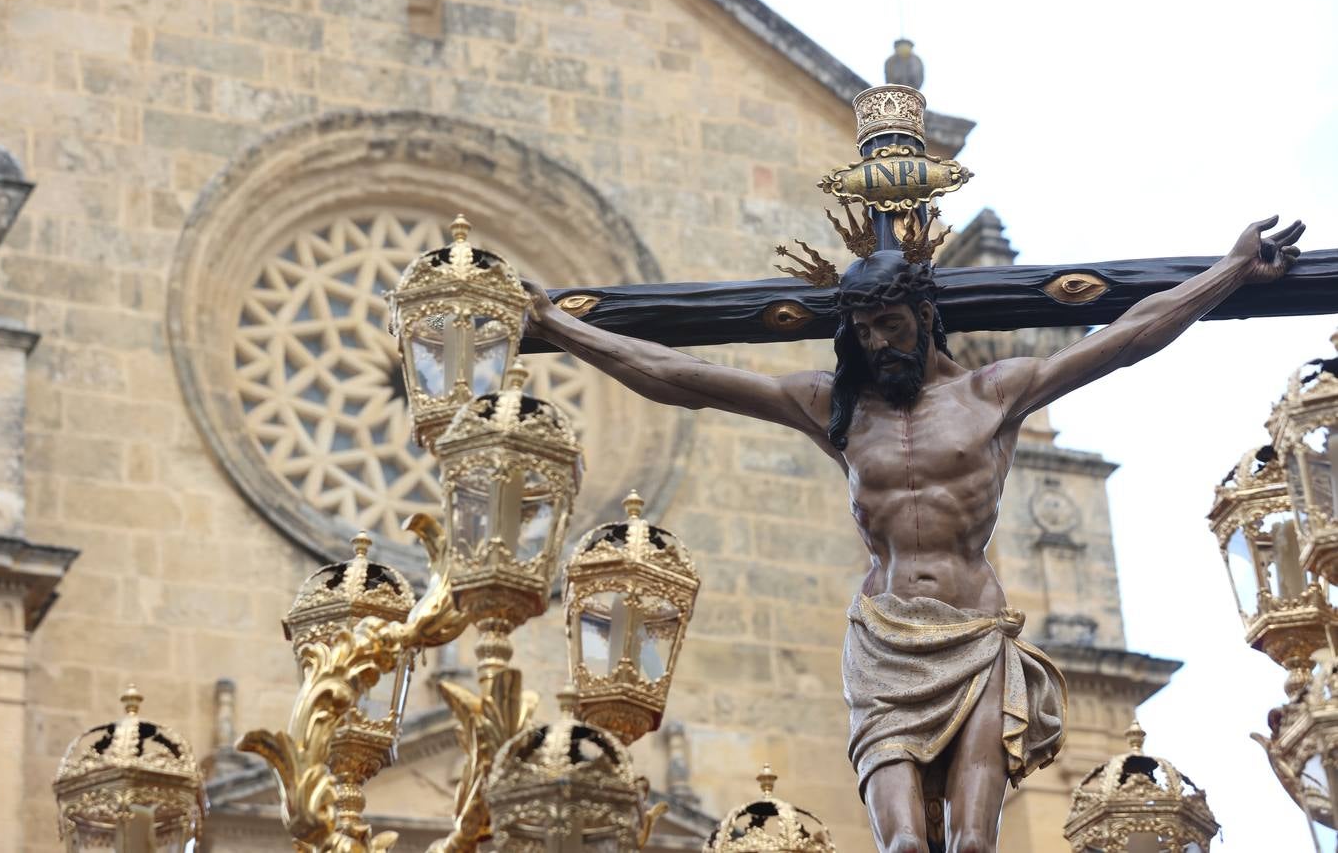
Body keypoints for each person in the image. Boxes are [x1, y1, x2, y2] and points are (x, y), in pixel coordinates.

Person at [522, 215, 1305, 853]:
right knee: (899, 846)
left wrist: (1229, 272)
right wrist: (560, 328)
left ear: (924, 317)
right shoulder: (833, 408)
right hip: (885, 640)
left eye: (890, 326)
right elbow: (679, 377)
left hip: (972, 635)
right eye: (863, 332)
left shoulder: (995, 393)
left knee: (970, 846)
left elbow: (1129, 334)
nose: (878, 345)